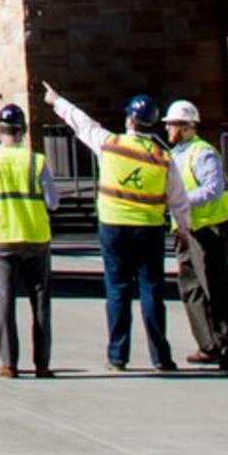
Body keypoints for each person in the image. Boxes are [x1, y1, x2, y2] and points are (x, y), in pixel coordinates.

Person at [47, 84, 177, 372]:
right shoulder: (163, 156)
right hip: (149, 229)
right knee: (152, 292)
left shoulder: (111, 144)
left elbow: (83, 124)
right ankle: (160, 357)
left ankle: (118, 355)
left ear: (130, 119)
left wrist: (57, 101)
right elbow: (178, 198)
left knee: (117, 290)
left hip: (114, 227)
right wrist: (184, 227)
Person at [164, 100, 228, 371]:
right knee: (191, 290)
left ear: (187, 126)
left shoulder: (203, 153)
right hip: (187, 231)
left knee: (217, 289)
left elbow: (212, 188)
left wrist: (181, 202)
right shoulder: (174, 155)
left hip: (211, 230)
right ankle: (208, 345)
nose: (167, 128)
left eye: (172, 124)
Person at [0, 101, 55, 378]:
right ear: (23, 131)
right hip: (35, 237)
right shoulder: (36, 161)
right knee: (41, 302)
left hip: (3, 238)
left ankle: (9, 363)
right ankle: (42, 363)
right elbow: (53, 201)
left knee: (6, 301)